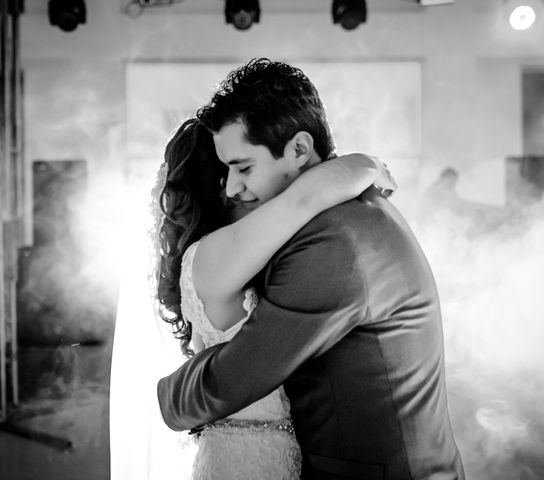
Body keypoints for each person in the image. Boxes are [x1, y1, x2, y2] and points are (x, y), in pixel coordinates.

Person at [158, 58, 465, 480]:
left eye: (244, 167)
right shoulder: (342, 212)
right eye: (226, 170)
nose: (233, 187)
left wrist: (165, 397)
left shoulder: (332, 241)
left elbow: (234, 378)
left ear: (299, 150)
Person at [154, 115, 394, 479]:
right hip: (243, 461)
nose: (243, 185)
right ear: (216, 183)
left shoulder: (246, 253)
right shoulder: (214, 255)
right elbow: (303, 201)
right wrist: (367, 163)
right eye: (236, 169)